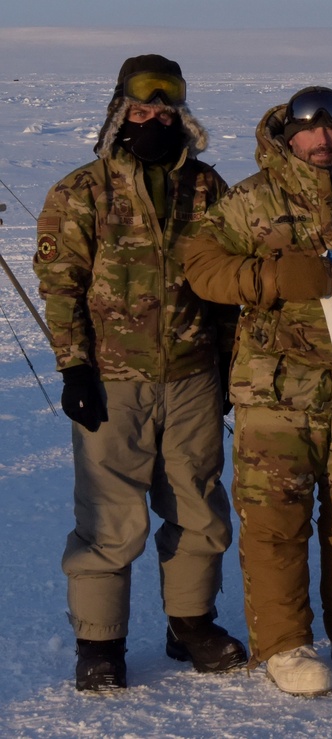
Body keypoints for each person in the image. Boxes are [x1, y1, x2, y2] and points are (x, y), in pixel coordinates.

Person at [181, 86, 332, 697]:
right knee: (275, 524)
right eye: (310, 131)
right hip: (276, 390)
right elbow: (201, 266)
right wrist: (272, 277)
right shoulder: (249, 201)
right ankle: (284, 644)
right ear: (288, 138)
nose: (323, 141)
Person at [33, 54, 246, 692]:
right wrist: (74, 367)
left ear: (183, 113)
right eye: (141, 108)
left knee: (197, 504)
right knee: (108, 514)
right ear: (119, 112)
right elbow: (61, 286)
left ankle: (191, 624)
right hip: (110, 381)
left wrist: (232, 367)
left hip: (193, 377)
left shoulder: (209, 189)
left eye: (165, 108)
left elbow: (229, 286)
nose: (153, 119)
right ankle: (100, 643)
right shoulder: (81, 190)